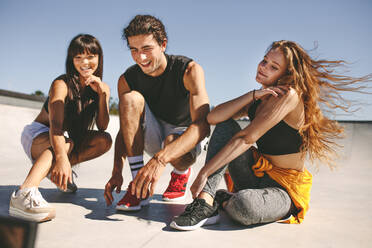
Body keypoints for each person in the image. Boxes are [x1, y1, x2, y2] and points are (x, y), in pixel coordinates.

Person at [170, 40, 371, 230]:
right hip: (256, 175)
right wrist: (253, 95)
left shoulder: (290, 96)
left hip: (284, 189)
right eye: (265, 61)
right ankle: (206, 202)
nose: (264, 67)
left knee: (244, 206)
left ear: (287, 74)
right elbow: (214, 117)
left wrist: (204, 172)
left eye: (274, 67)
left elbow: (246, 138)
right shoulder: (261, 97)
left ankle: (226, 199)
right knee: (225, 125)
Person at [104, 15, 210, 211]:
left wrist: (160, 159)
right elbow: (125, 129)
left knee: (171, 141)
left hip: (184, 135)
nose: (140, 58)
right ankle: (138, 187)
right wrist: (116, 170)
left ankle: (181, 172)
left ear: (163, 44)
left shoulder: (188, 70)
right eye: (134, 50)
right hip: (152, 132)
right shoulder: (127, 79)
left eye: (146, 49)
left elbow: (202, 126)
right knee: (130, 98)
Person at [9, 34, 112, 222]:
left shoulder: (100, 87)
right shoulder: (61, 84)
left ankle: (55, 171)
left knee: (104, 140)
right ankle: (24, 193)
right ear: (71, 60)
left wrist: (103, 95)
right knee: (65, 143)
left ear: (99, 58)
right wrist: (62, 159)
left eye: (90, 56)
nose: (85, 62)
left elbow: (103, 126)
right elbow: (55, 127)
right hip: (38, 134)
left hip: (61, 139)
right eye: (78, 57)